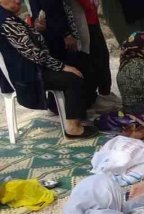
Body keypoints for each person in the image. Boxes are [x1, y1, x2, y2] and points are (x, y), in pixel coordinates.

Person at [0, 0, 97, 137]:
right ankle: (73, 128)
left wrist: (37, 30)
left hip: (27, 71)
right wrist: (62, 67)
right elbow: (34, 53)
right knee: (73, 77)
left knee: (73, 69)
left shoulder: (8, 17)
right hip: (27, 76)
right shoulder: (6, 22)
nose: (17, 1)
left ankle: (73, 118)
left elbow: (30, 45)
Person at [73, 0, 112, 96]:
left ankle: (104, 92)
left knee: (102, 57)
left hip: (91, 20)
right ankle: (95, 94)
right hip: (83, 23)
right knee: (93, 59)